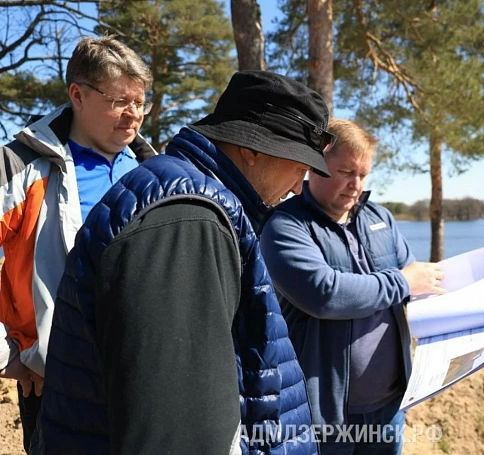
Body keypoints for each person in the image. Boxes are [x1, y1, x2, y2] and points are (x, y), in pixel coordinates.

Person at [32, 71, 331, 454]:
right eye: (298, 167)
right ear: (254, 149)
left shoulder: (191, 204)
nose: (296, 187)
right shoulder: (187, 222)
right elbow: (177, 435)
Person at [0, 36, 155, 452]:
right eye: (121, 101)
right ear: (77, 95)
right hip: (56, 381)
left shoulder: (150, 171)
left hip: (143, 377)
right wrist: (7, 353)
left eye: (142, 103)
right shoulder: (19, 168)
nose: (135, 115)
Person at [260, 119, 446, 455]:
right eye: (346, 172)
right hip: (324, 413)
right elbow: (325, 294)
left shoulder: (381, 219)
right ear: (314, 166)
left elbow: (417, 284)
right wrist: (402, 281)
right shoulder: (285, 226)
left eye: (363, 175)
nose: (355, 184)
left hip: (389, 405)